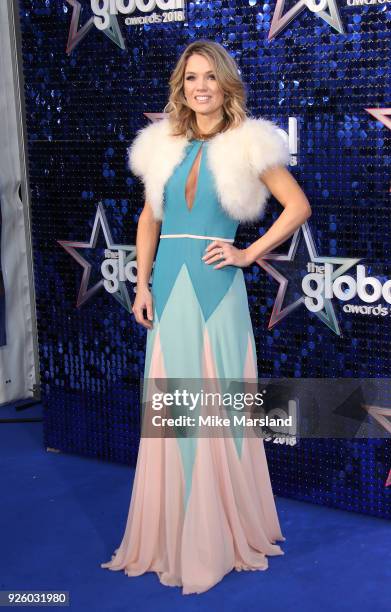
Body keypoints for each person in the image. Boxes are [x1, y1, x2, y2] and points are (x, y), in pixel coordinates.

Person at [101, 39, 312, 595]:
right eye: (191, 77)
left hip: (218, 289)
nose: (200, 87)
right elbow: (150, 219)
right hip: (167, 287)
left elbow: (298, 206)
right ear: (182, 85)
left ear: (225, 85)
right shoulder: (161, 145)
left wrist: (247, 253)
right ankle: (173, 534)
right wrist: (141, 283)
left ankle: (220, 533)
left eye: (209, 78)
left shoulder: (249, 143)